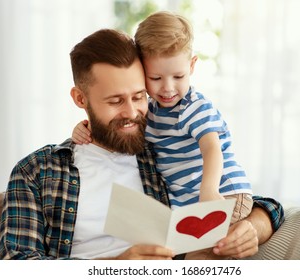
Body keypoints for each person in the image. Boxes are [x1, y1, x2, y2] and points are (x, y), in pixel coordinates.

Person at [0, 28, 284, 260]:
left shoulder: (160, 149)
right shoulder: (37, 171)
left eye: (138, 96)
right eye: (115, 101)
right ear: (80, 99)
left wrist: (251, 229)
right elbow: (17, 263)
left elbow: (262, 204)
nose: (132, 112)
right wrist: (116, 267)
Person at [72, 11, 253, 260]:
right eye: (155, 78)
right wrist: (82, 128)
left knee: (202, 257)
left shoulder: (194, 107)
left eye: (178, 77)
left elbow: (213, 148)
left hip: (220, 192)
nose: (167, 88)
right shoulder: (153, 113)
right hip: (190, 206)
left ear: (191, 67)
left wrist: (209, 191)